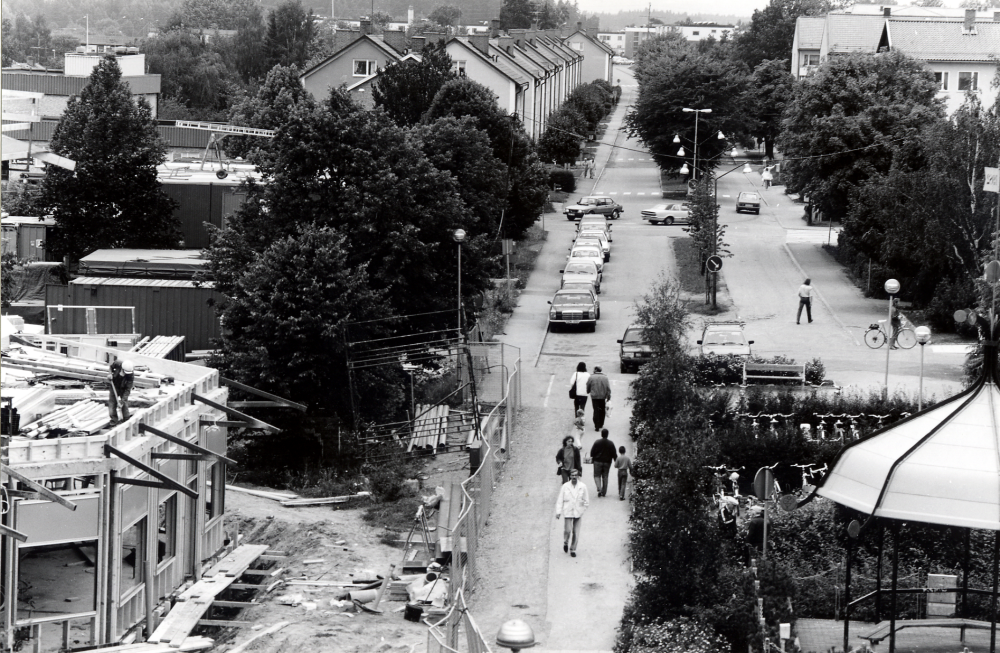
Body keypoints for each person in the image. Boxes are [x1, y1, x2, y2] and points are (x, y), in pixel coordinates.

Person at [555, 468, 589, 557]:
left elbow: (586, 501)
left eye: (575, 475)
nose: (574, 477)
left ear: (578, 476)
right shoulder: (565, 486)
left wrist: (581, 508)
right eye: (572, 475)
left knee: (576, 532)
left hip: (578, 512)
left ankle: (573, 549)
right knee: (568, 530)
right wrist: (558, 512)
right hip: (568, 511)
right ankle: (565, 542)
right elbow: (560, 499)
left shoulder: (583, 486)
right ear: (570, 476)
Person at [589, 428, 618, 497]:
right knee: (605, 476)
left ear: (601, 434)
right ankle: (604, 492)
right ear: (607, 435)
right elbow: (614, 453)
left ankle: (599, 489)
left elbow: (592, 452)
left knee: (596, 475)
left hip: (597, 461)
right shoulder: (611, 443)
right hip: (607, 462)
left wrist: (593, 457)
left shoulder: (597, 442)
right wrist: (615, 461)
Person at [108, 359, 135, 424]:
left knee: (124, 404)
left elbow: (127, 390)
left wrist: (122, 402)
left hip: (123, 388)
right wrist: (110, 374)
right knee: (112, 403)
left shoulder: (130, 375)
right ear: (122, 369)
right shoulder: (117, 363)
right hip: (114, 385)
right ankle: (114, 421)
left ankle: (126, 420)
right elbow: (111, 367)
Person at [586, 366, 611, 431]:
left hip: (594, 396)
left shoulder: (591, 377)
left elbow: (588, 385)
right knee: (602, 410)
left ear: (596, 370)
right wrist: (608, 396)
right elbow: (608, 387)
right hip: (603, 396)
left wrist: (588, 391)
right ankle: (601, 424)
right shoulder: (605, 377)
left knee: (596, 410)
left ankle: (596, 424)